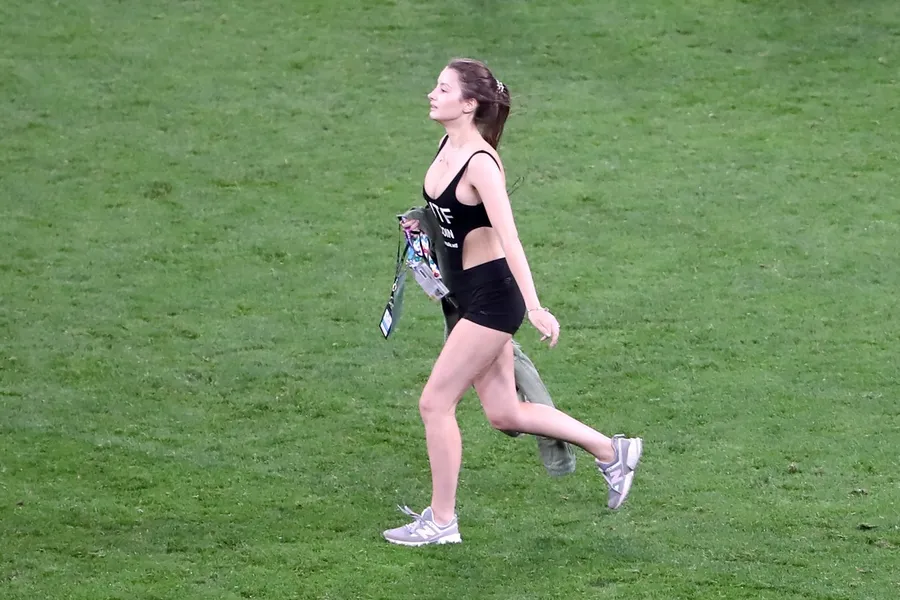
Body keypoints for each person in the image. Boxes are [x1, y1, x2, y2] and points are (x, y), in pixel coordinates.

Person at [383, 58, 642, 547]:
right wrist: (424, 223)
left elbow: (510, 237)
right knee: (504, 412)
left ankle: (442, 522)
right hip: (464, 296)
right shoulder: (446, 145)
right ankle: (613, 452)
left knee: (435, 403)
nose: (432, 94)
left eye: (443, 89)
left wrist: (535, 306)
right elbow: (454, 216)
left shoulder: (480, 163)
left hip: (492, 301)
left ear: (469, 103)